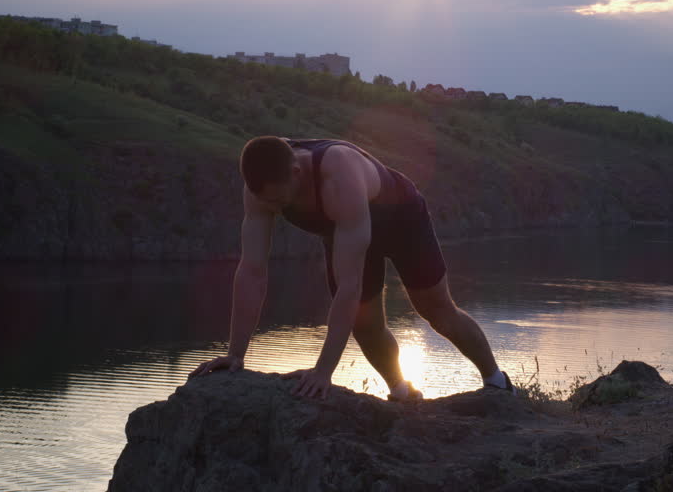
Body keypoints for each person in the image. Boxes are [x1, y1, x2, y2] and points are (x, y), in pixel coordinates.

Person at [190, 136, 514, 400]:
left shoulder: (337, 173)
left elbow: (349, 287)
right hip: (344, 229)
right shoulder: (260, 191)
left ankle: (497, 383)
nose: (274, 209)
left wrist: (323, 371)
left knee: (438, 311)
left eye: (279, 201)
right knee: (365, 324)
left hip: (400, 220)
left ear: (296, 173)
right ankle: (403, 392)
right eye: (268, 202)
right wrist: (236, 354)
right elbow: (252, 272)